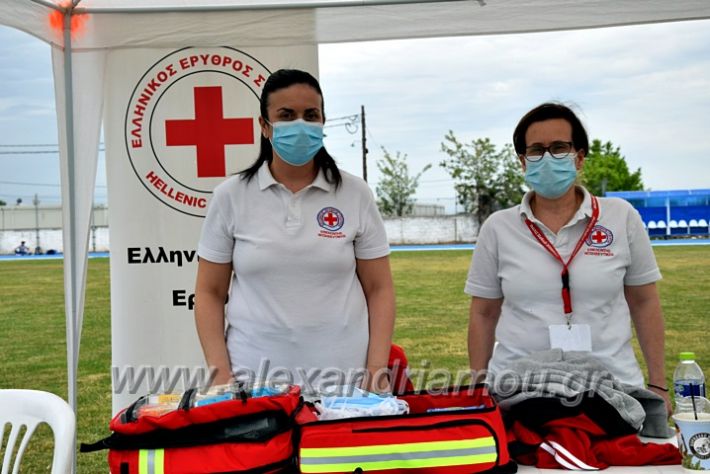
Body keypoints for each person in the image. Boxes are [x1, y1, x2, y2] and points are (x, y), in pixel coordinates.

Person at [194, 69, 395, 394]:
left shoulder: (355, 194)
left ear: (322, 122)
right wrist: (220, 376)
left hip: (346, 384)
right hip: (254, 384)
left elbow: (379, 288)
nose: (300, 125)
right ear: (264, 125)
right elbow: (209, 293)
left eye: (310, 115)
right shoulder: (230, 197)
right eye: (286, 115)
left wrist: (376, 368)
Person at [465, 102, 670, 412]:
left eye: (559, 148)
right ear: (523, 162)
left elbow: (644, 303)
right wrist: (478, 388)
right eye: (536, 150)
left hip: (612, 390)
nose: (547, 158)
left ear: (579, 157)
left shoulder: (621, 217)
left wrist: (657, 384)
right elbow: (483, 313)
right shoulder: (498, 227)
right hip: (519, 392)